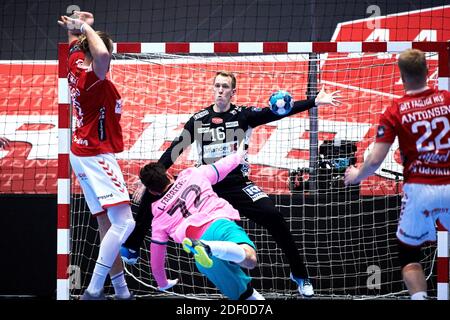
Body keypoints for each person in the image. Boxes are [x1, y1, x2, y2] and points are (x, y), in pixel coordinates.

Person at [122, 71, 341, 297]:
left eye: (225, 86)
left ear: (233, 92)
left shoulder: (243, 115)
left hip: (237, 183)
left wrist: (314, 101)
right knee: (152, 193)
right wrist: (148, 178)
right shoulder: (199, 120)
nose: (220, 90)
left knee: (274, 216)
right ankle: (132, 246)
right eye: (217, 85)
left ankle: (299, 274)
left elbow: (275, 113)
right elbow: (175, 150)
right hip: (206, 185)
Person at [344, 48, 450, 300]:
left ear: (401, 76)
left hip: (419, 191)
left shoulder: (395, 110)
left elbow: (375, 160)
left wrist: (357, 175)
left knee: (409, 256)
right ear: (427, 72)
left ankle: (419, 298)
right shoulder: (446, 99)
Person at [58, 11, 135, 300]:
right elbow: (101, 53)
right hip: (96, 153)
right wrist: (88, 29)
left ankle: (122, 292)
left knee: (108, 225)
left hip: (80, 151)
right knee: (126, 223)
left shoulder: (75, 62)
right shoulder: (94, 79)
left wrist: (78, 27)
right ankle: (93, 288)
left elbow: (81, 45)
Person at [141, 145, 264, 300]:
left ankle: (207, 247)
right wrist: (240, 152)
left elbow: (156, 261)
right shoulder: (193, 174)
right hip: (219, 224)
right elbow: (224, 165)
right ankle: (210, 247)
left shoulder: (158, 217)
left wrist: (163, 283)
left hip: (200, 254)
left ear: (152, 191)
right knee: (250, 259)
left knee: (244, 295)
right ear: (169, 175)